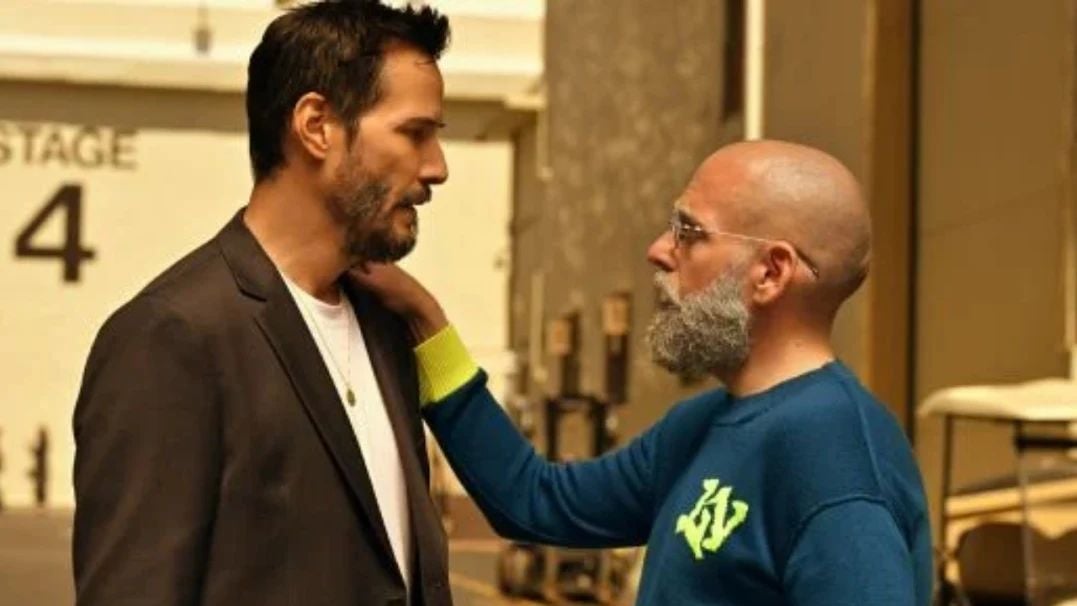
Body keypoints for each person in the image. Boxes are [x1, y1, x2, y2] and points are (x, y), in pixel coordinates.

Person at [355, 140, 933, 605]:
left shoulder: (839, 469)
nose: (658, 250)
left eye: (689, 232)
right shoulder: (699, 426)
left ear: (771, 273)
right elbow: (533, 500)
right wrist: (424, 322)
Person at [72, 2, 453, 605]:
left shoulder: (386, 326)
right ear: (316, 126)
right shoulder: (172, 337)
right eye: (414, 133)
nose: (437, 168)